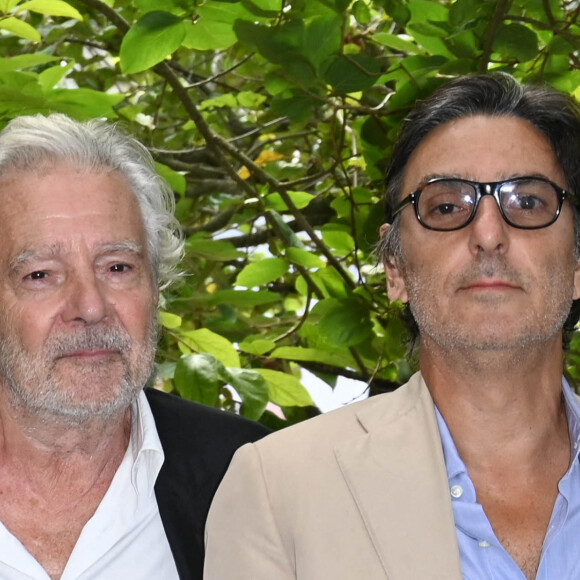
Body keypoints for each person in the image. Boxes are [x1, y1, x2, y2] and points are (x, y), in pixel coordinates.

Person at [204, 73, 580, 580]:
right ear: (395, 269)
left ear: (577, 263)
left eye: (528, 202)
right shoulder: (278, 489)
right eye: (447, 207)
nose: (489, 234)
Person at [0, 113, 269, 580]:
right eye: (40, 274)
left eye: (118, 267)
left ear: (157, 287)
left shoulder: (255, 477)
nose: (90, 305)